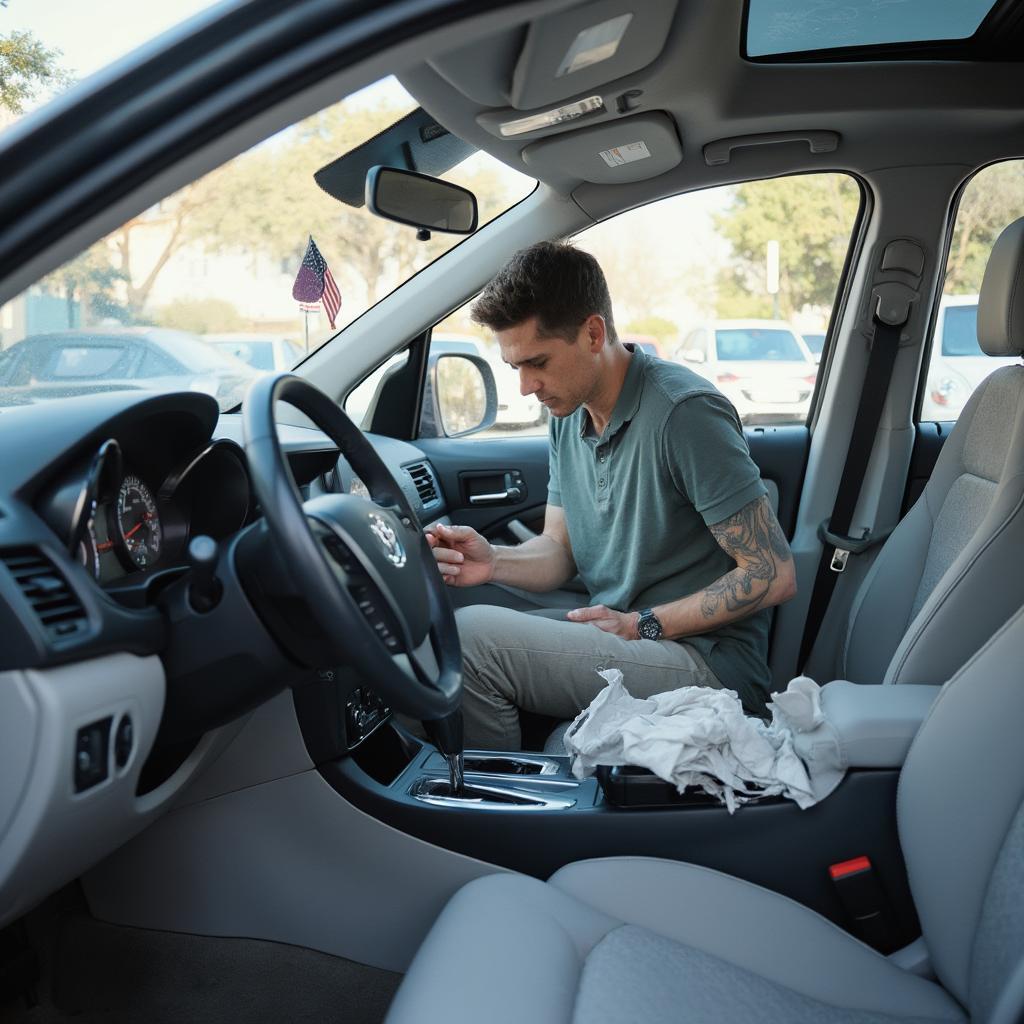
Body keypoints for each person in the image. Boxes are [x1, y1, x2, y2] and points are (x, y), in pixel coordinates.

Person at [427, 241, 796, 751]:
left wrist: (641, 623)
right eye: (515, 367)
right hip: (627, 631)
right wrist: (493, 563)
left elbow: (772, 573)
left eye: (537, 362)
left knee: (472, 642)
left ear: (593, 333)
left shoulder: (683, 413)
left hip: (706, 661)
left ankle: (492, 816)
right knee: (449, 631)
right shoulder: (568, 415)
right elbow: (557, 552)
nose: (526, 387)